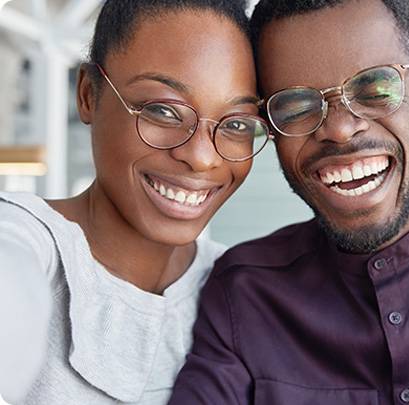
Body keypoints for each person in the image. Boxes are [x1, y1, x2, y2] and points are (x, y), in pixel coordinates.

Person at [170, 0, 409, 404]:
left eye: (374, 89)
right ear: (272, 132)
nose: (338, 130)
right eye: (297, 106)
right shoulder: (244, 297)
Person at [0, 0, 272, 403]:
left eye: (235, 124)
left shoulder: (242, 288)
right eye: (163, 110)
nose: (201, 157)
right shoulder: (26, 244)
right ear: (89, 94)